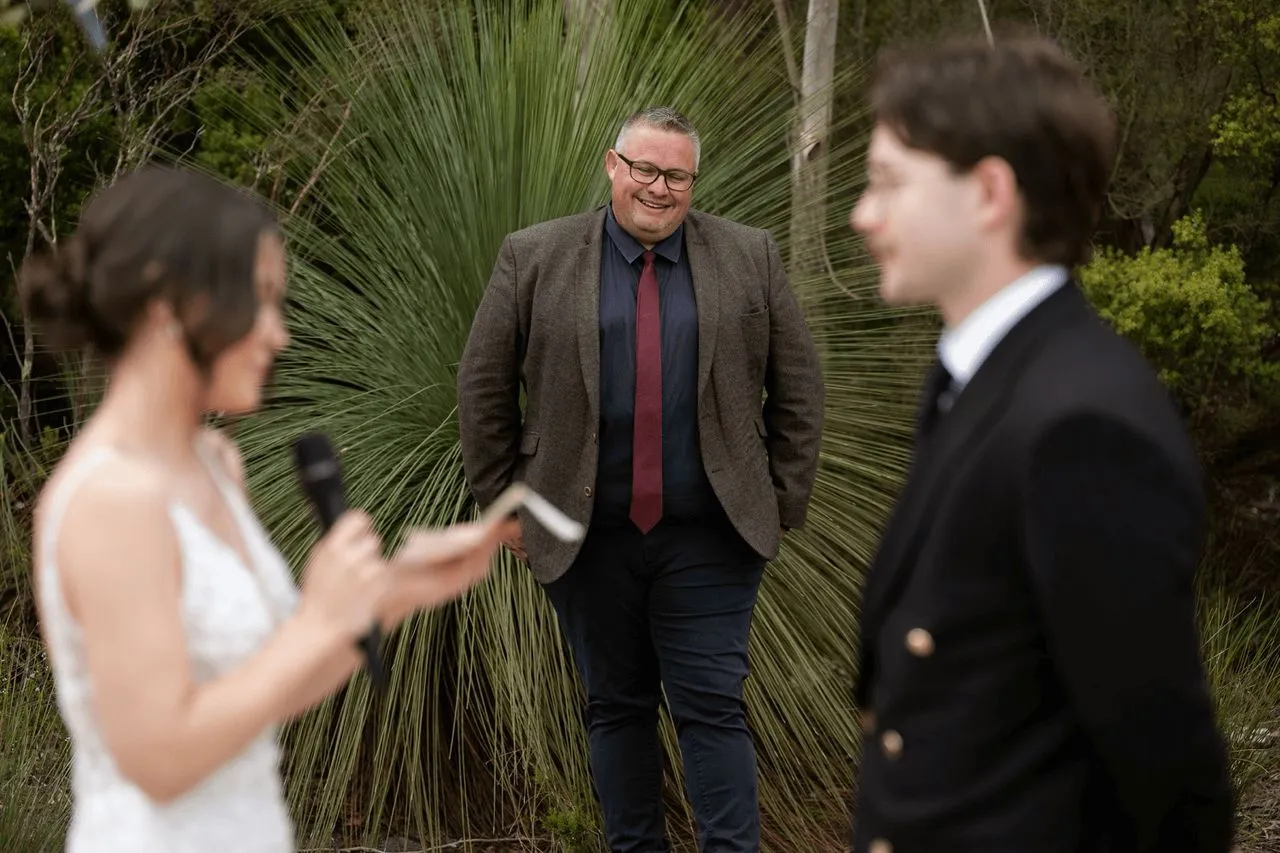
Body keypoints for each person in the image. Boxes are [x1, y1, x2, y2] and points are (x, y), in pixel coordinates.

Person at [19, 165, 515, 853]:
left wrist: (398, 590)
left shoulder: (216, 464)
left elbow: (263, 688)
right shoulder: (112, 497)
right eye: (259, 301)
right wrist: (318, 619)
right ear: (170, 303)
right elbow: (158, 758)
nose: (277, 334)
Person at [847, 34, 1235, 853]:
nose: (863, 213)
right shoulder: (986, 377)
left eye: (887, 181)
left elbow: (1169, 773)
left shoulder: (1080, 425)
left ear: (990, 191)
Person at [457, 106, 824, 852]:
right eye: (645, 170)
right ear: (612, 165)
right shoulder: (534, 257)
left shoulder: (747, 255)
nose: (659, 188)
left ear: (694, 179)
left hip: (712, 534)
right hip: (585, 535)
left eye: (677, 175)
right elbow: (482, 387)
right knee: (616, 706)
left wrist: (781, 500)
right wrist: (505, 508)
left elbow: (800, 386)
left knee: (711, 705)